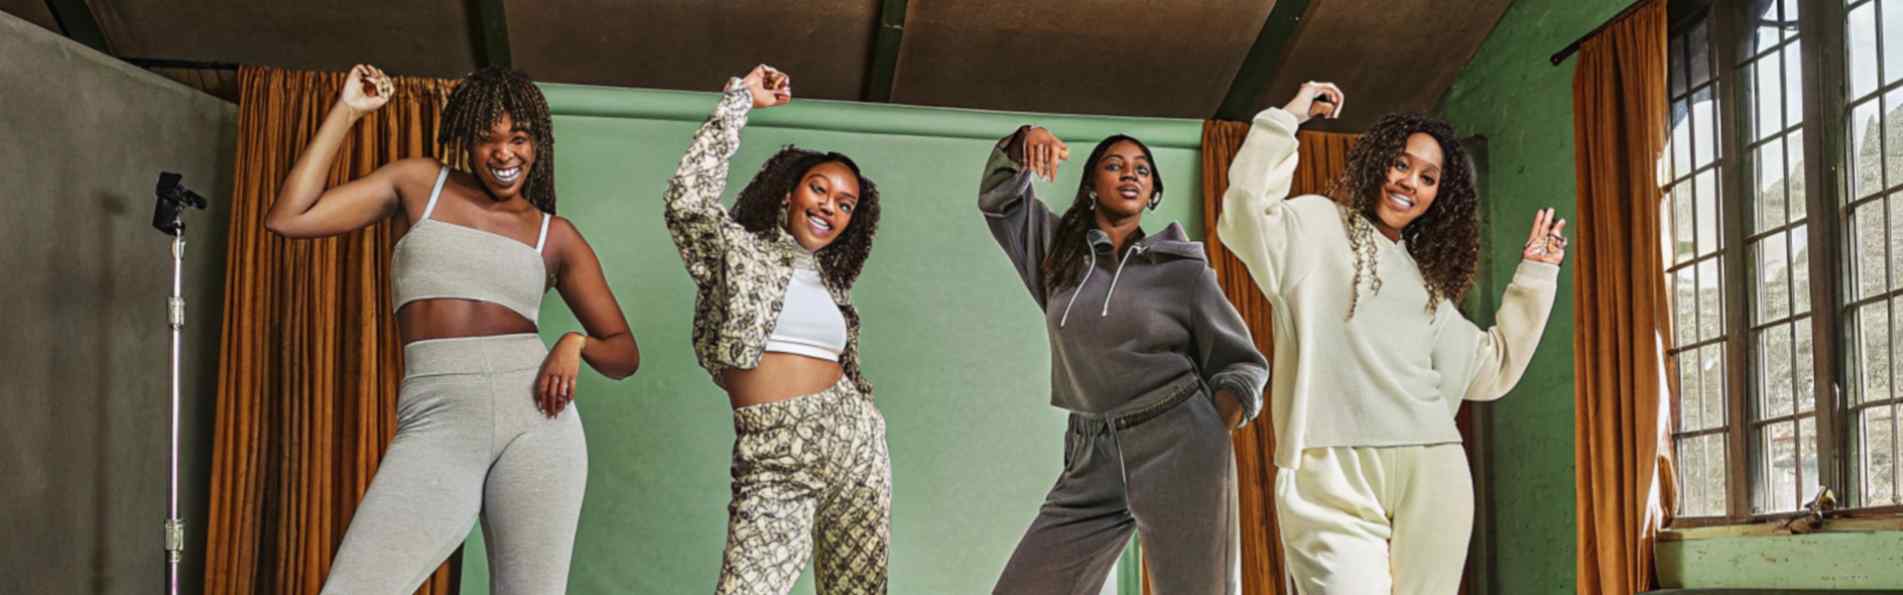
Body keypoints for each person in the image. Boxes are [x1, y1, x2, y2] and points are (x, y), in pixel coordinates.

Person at [265, 64, 640, 595]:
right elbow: (288, 217)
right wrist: (348, 109)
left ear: (537, 144)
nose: (504, 154)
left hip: (537, 419)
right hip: (438, 418)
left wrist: (573, 342)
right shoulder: (421, 183)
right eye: (487, 139)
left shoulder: (555, 236)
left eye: (518, 139)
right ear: (466, 139)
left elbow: (625, 353)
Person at [1216, 81, 1567, 594]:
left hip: (1433, 468)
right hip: (1328, 471)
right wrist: (1288, 116)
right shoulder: (1312, 224)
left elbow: (1490, 369)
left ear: (1437, 197)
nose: (1409, 183)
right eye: (1401, 164)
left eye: (1428, 177)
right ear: (1377, 162)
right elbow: (1244, 211)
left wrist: (1535, 275)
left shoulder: (1426, 285)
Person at [980, 123, 1270, 595]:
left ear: (1153, 191)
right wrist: (1020, 143)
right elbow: (1000, 203)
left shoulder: (1182, 270)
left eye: (1142, 169)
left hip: (1179, 442)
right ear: (1092, 185)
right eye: (1114, 165)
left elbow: (1243, 362)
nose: (1129, 174)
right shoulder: (1059, 256)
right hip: (1092, 448)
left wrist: (1210, 428)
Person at [660, 64, 890, 595]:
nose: (829, 207)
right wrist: (738, 99)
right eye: (820, 189)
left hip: (856, 446)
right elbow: (687, 202)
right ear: (789, 194)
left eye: (845, 205)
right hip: (775, 451)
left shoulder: (834, 288)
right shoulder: (739, 253)